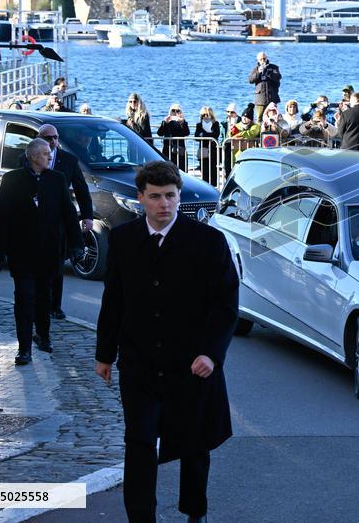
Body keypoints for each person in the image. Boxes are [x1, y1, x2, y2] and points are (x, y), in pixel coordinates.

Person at [95, 161, 238, 523]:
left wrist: (211, 353)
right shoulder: (124, 239)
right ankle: (141, 517)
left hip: (191, 362)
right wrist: (104, 354)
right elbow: (114, 299)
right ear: (141, 198)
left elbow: (225, 305)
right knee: (139, 441)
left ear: (178, 197)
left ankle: (195, 512)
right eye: (155, 197)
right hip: (139, 362)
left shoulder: (208, 242)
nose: (164, 204)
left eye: (170, 196)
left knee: (195, 442)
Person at [0, 138, 82, 365]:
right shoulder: (12, 180)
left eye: (50, 152)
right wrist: (0, 250)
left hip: (49, 250)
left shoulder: (56, 179)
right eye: (45, 153)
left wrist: (76, 244)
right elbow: (2, 216)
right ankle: (24, 349)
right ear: (33, 156)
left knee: (45, 297)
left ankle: (43, 335)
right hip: (21, 251)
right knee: (23, 299)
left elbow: (68, 213)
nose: (50, 156)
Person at [34, 124, 94, 321]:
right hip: (35, 221)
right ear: (39, 139)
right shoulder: (28, 158)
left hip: (58, 221)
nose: (52, 141)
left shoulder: (68, 160)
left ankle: (55, 306)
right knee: (37, 265)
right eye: (48, 138)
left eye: (55, 137)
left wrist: (87, 216)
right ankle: (39, 304)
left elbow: (81, 189)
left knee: (57, 264)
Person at [247, 52, 281, 123]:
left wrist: (267, 72)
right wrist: (258, 72)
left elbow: (278, 77)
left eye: (264, 58)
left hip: (272, 97)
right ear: (258, 60)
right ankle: (260, 133)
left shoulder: (274, 67)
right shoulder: (256, 69)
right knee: (259, 118)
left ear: (267, 58)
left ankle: (273, 132)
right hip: (260, 99)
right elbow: (250, 80)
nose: (263, 60)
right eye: (261, 59)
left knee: (273, 117)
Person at [157, 103, 190, 171]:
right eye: (173, 110)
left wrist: (182, 123)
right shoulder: (166, 121)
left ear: (180, 112)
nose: (175, 112)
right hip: (167, 149)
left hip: (179, 150)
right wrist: (165, 123)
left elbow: (187, 133)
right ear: (170, 111)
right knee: (167, 170)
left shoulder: (182, 122)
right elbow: (159, 133)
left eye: (177, 111)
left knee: (181, 170)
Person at [194, 106, 220, 187]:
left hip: (213, 150)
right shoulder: (199, 125)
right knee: (204, 170)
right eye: (203, 115)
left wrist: (203, 135)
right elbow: (196, 137)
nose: (205, 116)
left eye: (207, 114)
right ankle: (205, 187)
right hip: (203, 150)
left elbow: (215, 135)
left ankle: (214, 188)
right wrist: (207, 135)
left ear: (211, 115)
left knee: (213, 170)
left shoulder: (216, 124)